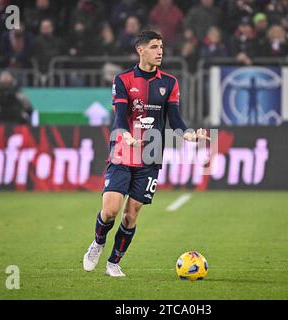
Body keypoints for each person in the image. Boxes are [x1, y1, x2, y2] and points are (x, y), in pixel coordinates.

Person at [82, 30, 209, 277]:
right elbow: (119, 116)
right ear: (141, 50)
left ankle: (113, 263)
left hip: (151, 152)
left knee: (132, 213)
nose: (160, 51)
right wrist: (125, 134)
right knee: (110, 210)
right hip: (123, 149)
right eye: (154, 47)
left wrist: (188, 134)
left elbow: (174, 118)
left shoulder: (170, 82)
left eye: (161, 46)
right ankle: (97, 243)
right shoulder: (123, 80)